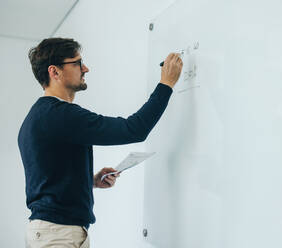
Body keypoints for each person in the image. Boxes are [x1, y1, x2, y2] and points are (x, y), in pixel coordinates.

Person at [17, 37, 183, 247]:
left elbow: (49, 180)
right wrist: (166, 83)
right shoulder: (60, 115)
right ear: (54, 72)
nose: (85, 68)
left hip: (52, 231)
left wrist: (91, 180)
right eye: (77, 63)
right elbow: (135, 129)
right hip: (58, 235)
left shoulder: (38, 117)